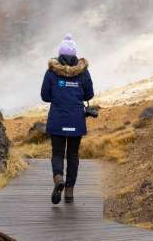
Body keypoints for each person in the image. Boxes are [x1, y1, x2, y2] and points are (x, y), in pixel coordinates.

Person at [41, 34, 94, 204]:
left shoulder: (51, 72)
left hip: (57, 119)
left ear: (60, 54)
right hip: (76, 120)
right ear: (75, 54)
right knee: (72, 154)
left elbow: (45, 96)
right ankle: (69, 191)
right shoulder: (83, 72)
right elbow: (89, 94)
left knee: (57, 153)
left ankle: (58, 179)